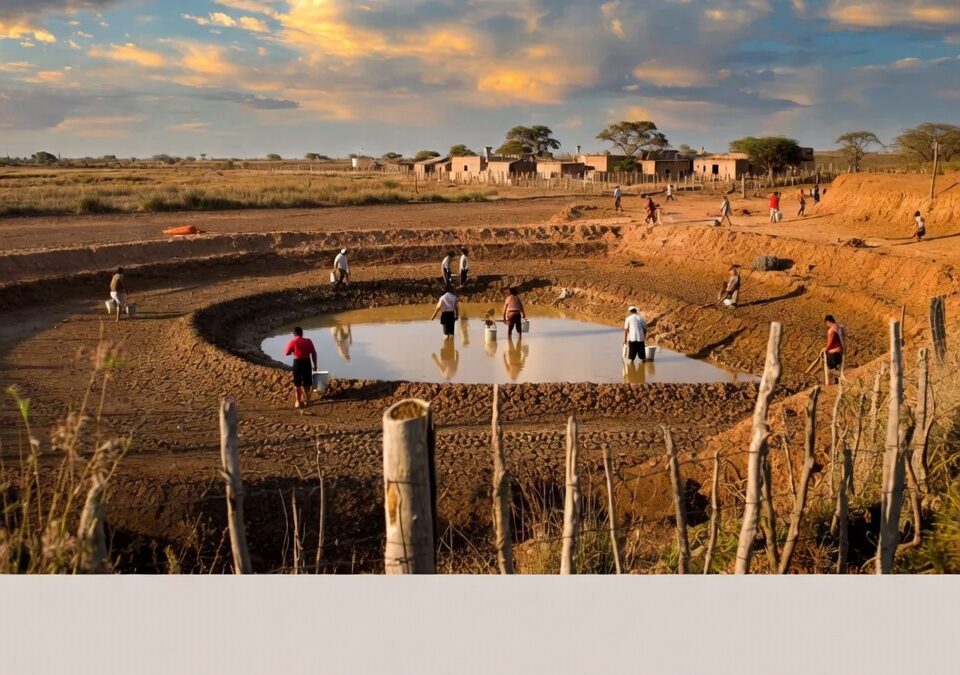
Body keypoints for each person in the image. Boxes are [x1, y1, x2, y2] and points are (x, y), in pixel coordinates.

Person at [285, 326, 318, 409]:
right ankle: (307, 400)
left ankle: (298, 401)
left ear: (294, 334)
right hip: (307, 362)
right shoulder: (308, 341)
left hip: (297, 363)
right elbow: (314, 353)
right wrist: (315, 365)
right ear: (302, 333)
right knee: (307, 382)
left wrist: (292, 352)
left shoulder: (293, 341)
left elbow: (286, 353)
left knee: (297, 383)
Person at [824, 315, 844, 384]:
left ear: (828, 322)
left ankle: (832, 382)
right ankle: (836, 379)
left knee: (831, 368)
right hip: (841, 352)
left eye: (826, 324)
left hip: (834, 353)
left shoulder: (831, 330)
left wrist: (826, 349)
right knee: (836, 368)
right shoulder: (840, 327)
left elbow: (829, 343)